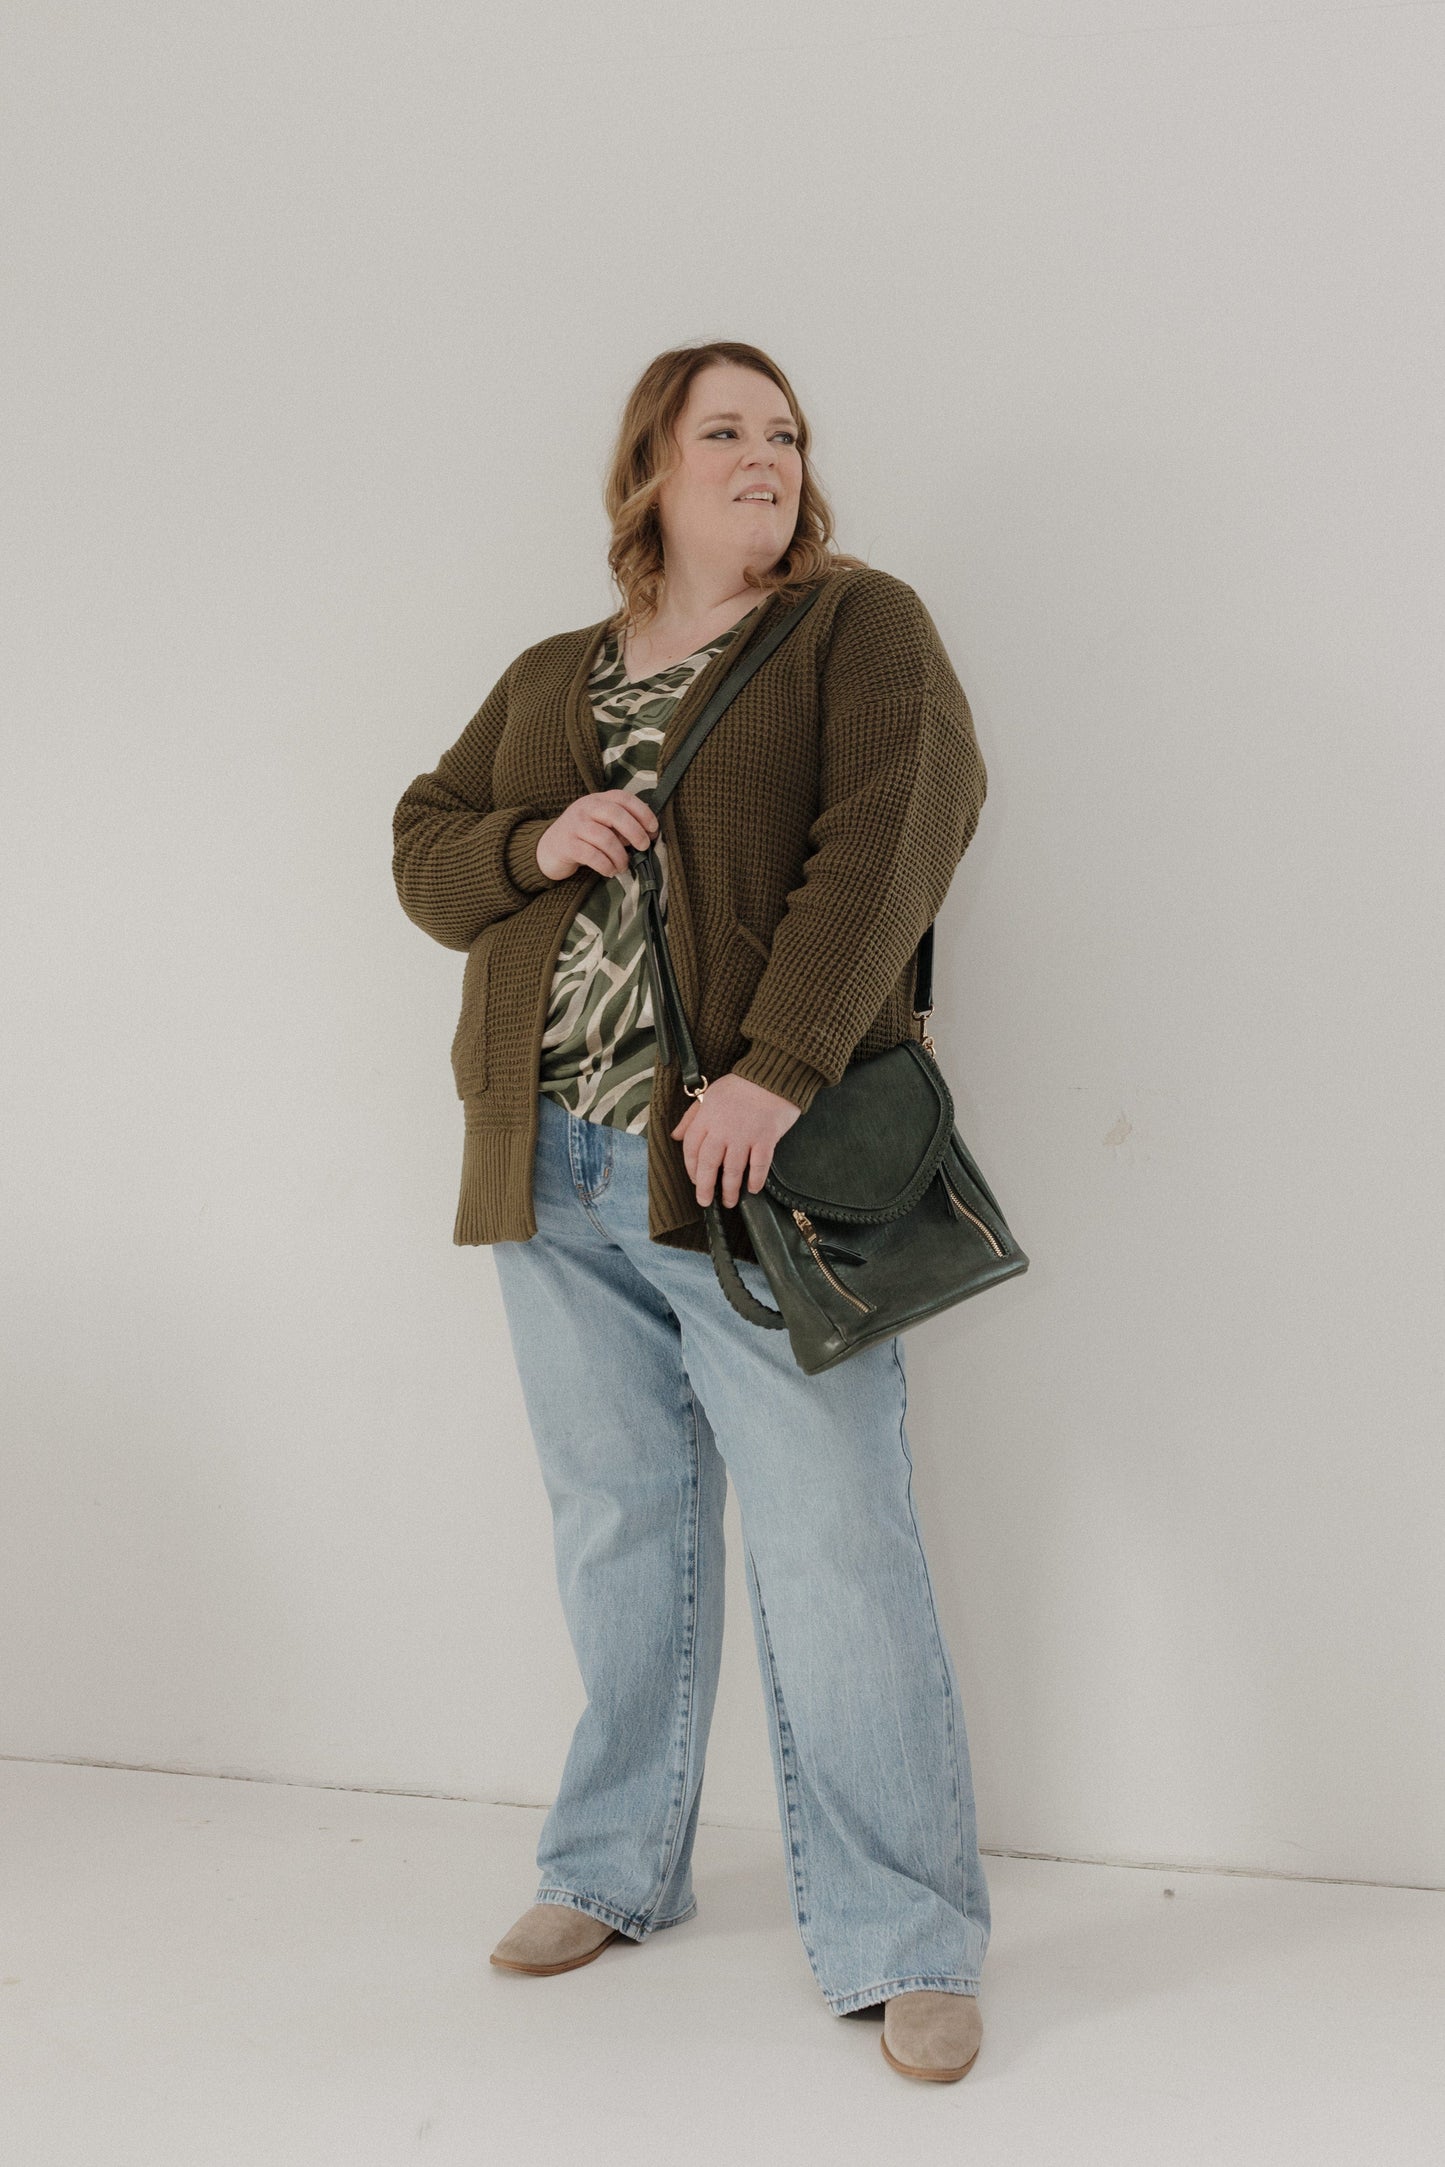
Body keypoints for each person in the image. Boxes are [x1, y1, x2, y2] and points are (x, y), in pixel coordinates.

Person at [391, 340, 992, 2083]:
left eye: (784, 432)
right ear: (644, 473)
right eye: (720, 430)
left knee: (834, 1541)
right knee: (613, 1523)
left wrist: (780, 1069)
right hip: (551, 1158)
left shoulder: (854, 631)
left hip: (741, 1165)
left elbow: (895, 837)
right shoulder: (550, 674)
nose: (762, 455)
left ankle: (905, 1934)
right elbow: (426, 846)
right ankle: (608, 1864)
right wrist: (532, 841)